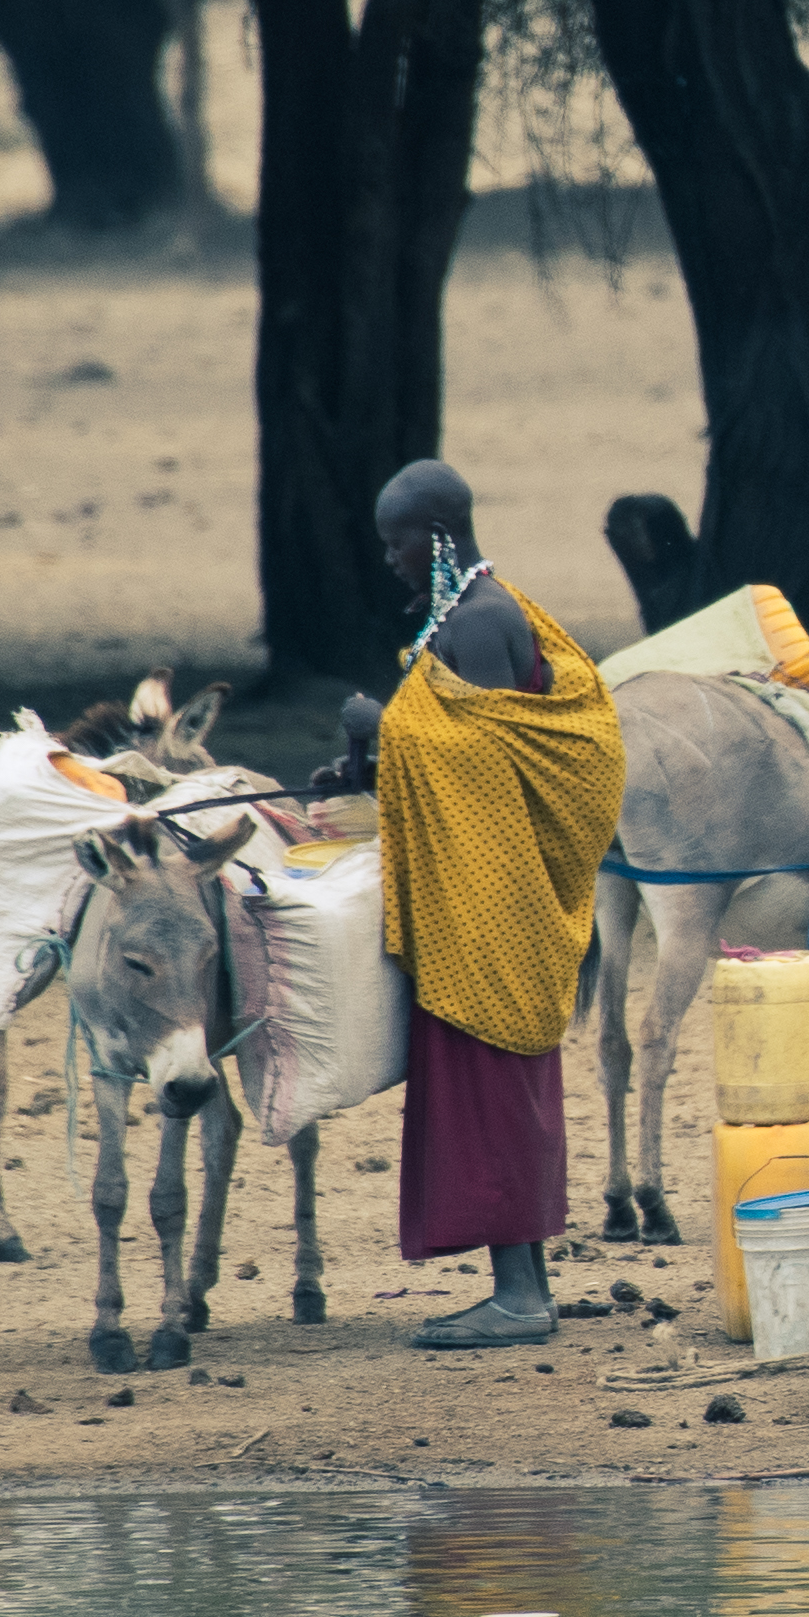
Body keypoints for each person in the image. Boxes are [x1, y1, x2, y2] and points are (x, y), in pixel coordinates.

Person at [311, 461, 628, 1351]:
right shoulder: (465, 617)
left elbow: (488, 773)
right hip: (473, 902)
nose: (390, 560)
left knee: (493, 1096)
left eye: (397, 542)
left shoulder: (486, 623)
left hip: (495, 909)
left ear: (438, 538)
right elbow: (454, 750)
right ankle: (515, 1288)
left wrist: (383, 725)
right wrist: (369, 763)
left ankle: (522, 1298)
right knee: (483, 1095)